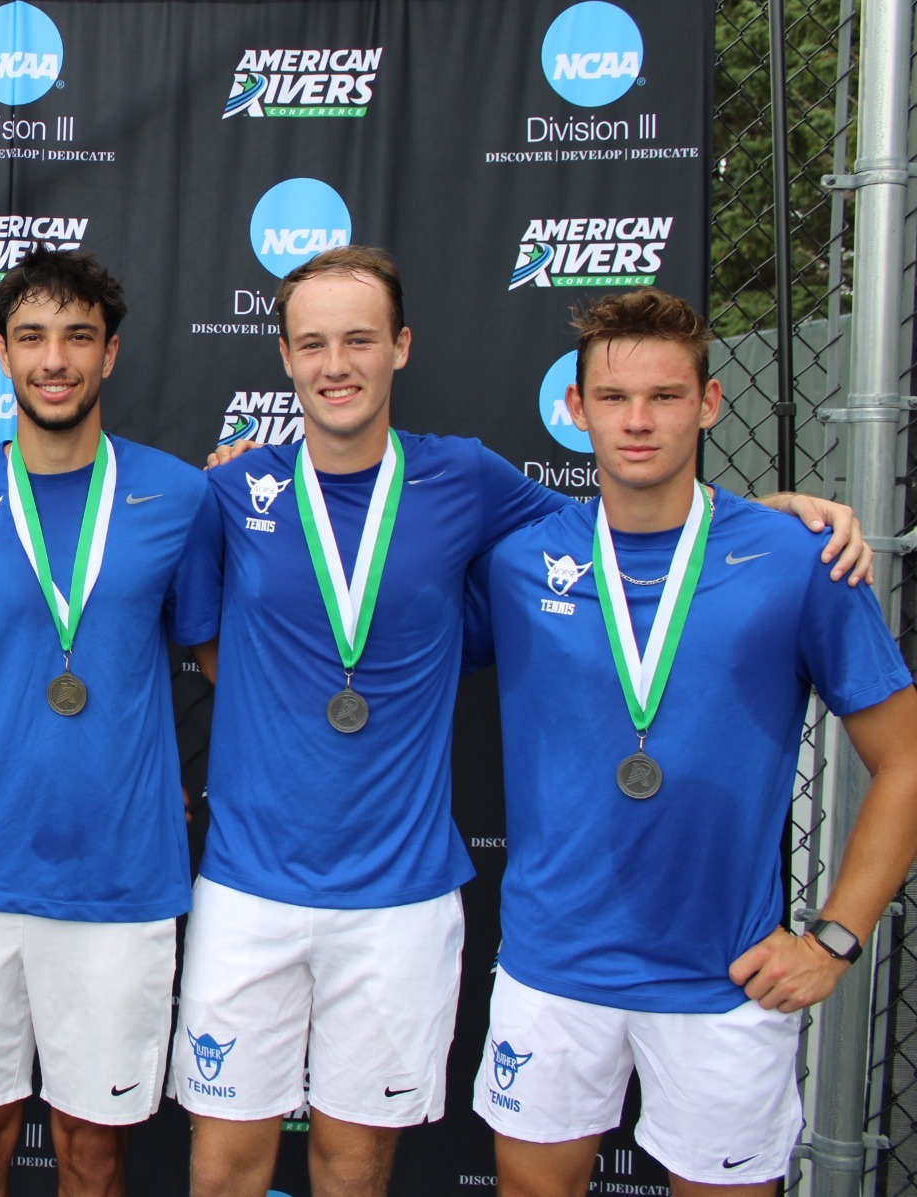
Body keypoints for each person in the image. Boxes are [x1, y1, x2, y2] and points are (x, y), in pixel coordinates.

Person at [173, 246, 871, 1197]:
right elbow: (213, 648)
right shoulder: (226, 492)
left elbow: (639, 517)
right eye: (314, 343)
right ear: (288, 358)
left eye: (360, 339)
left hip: (411, 896)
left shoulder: (471, 483)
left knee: (353, 1167)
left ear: (401, 348)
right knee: (221, 1175)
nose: (337, 362)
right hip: (257, 883)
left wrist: (775, 517)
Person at [462, 288, 917, 1194]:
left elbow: (903, 761)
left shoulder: (798, 558)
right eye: (616, 398)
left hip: (728, 979)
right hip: (554, 968)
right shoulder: (516, 561)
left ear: (709, 405)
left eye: (666, 397)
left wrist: (834, 939)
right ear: (576, 406)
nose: (639, 422)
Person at [0, 247, 211, 1197]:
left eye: (78, 336)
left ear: (110, 354)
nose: (55, 357)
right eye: (32, 336)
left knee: (93, 1152)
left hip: (121, 878)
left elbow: (222, 657)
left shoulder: (180, 496)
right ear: (1, 354)